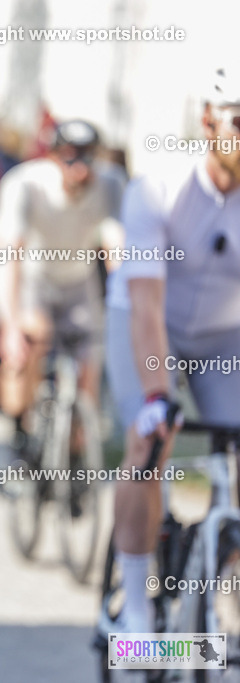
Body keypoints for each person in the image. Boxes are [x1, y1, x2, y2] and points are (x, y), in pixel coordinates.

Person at [108, 68, 240, 633]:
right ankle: (135, 609)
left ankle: (218, 582)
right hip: (145, 321)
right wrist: (159, 396)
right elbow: (145, 305)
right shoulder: (158, 185)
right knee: (149, 438)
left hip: (223, 334)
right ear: (209, 120)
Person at [0, 120, 124, 457]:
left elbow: (117, 251)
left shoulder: (110, 184)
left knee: (88, 367)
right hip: (31, 278)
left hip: (78, 280)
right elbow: (10, 257)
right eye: (69, 158)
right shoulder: (24, 183)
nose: (79, 169)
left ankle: (78, 457)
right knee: (28, 344)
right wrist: (10, 326)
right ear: (52, 158)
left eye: (88, 158)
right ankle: (22, 439)